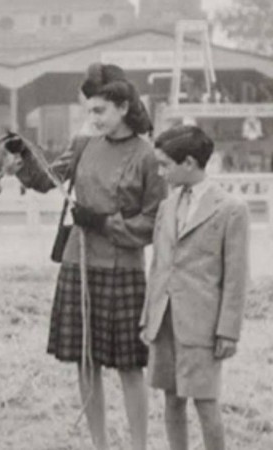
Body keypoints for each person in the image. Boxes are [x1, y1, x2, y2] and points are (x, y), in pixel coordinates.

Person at [2, 63, 167, 450]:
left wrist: (106, 223)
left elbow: (154, 220)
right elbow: (47, 179)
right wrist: (23, 154)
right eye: (88, 111)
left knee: (129, 365)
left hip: (122, 268)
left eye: (99, 111)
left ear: (123, 107)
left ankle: (139, 445)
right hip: (79, 263)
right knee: (85, 360)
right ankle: (100, 445)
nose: (91, 119)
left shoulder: (147, 156)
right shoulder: (84, 144)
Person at [142, 125, 249, 450]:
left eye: (165, 165)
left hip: (203, 327)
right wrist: (149, 318)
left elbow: (236, 275)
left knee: (205, 403)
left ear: (188, 163)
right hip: (165, 322)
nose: (160, 172)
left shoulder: (231, 209)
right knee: (171, 400)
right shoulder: (167, 206)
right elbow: (159, 265)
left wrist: (228, 330)